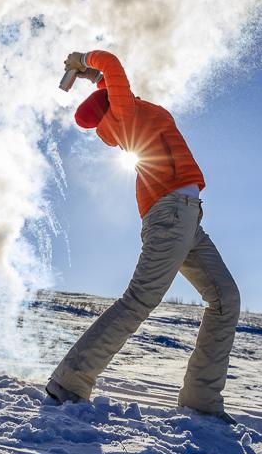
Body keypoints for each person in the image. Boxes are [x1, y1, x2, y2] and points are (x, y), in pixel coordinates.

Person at [46, 49, 241, 419]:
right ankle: (70, 380)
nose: (116, 91)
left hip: (185, 219)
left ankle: (201, 399)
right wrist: (85, 58)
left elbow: (110, 81)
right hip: (171, 215)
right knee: (140, 299)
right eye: (111, 93)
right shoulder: (127, 114)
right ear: (111, 102)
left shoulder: (124, 113)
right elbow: (113, 66)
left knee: (225, 299)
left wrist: (91, 77)